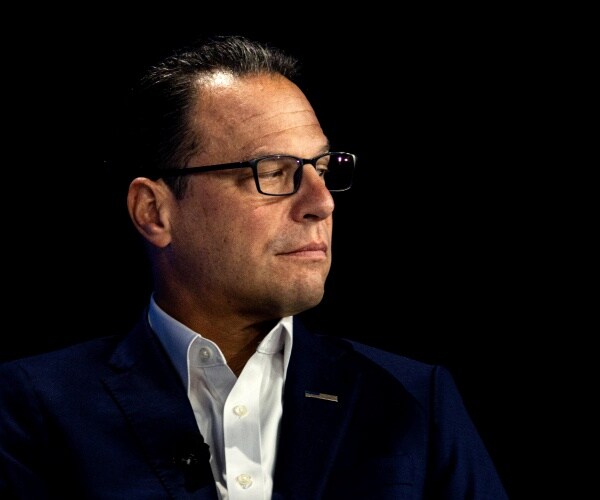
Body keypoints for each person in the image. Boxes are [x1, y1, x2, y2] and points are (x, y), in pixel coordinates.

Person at [0, 34, 508, 499]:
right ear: (154, 212)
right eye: (272, 172)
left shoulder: (414, 401)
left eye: (324, 169)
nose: (322, 203)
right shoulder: (29, 406)